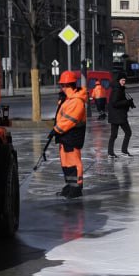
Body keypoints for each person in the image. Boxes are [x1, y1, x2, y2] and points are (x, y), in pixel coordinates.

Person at [51, 70, 88, 198]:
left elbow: (69, 120)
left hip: (72, 136)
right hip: (66, 136)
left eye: (63, 85)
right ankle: (70, 185)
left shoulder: (76, 101)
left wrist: (56, 130)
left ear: (69, 85)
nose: (61, 87)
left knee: (73, 162)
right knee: (66, 163)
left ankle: (76, 188)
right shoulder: (68, 99)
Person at [106, 76, 135, 158]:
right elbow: (115, 103)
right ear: (118, 80)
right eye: (122, 80)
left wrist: (129, 103)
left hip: (117, 116)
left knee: (114, 135)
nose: (123, 82)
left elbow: (119, 101)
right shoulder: (117, 90)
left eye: (125, 80)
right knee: (128, 132)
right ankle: (124, 151)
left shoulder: (119, 88)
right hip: (119, 116)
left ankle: (110, 153)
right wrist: (127, 102)